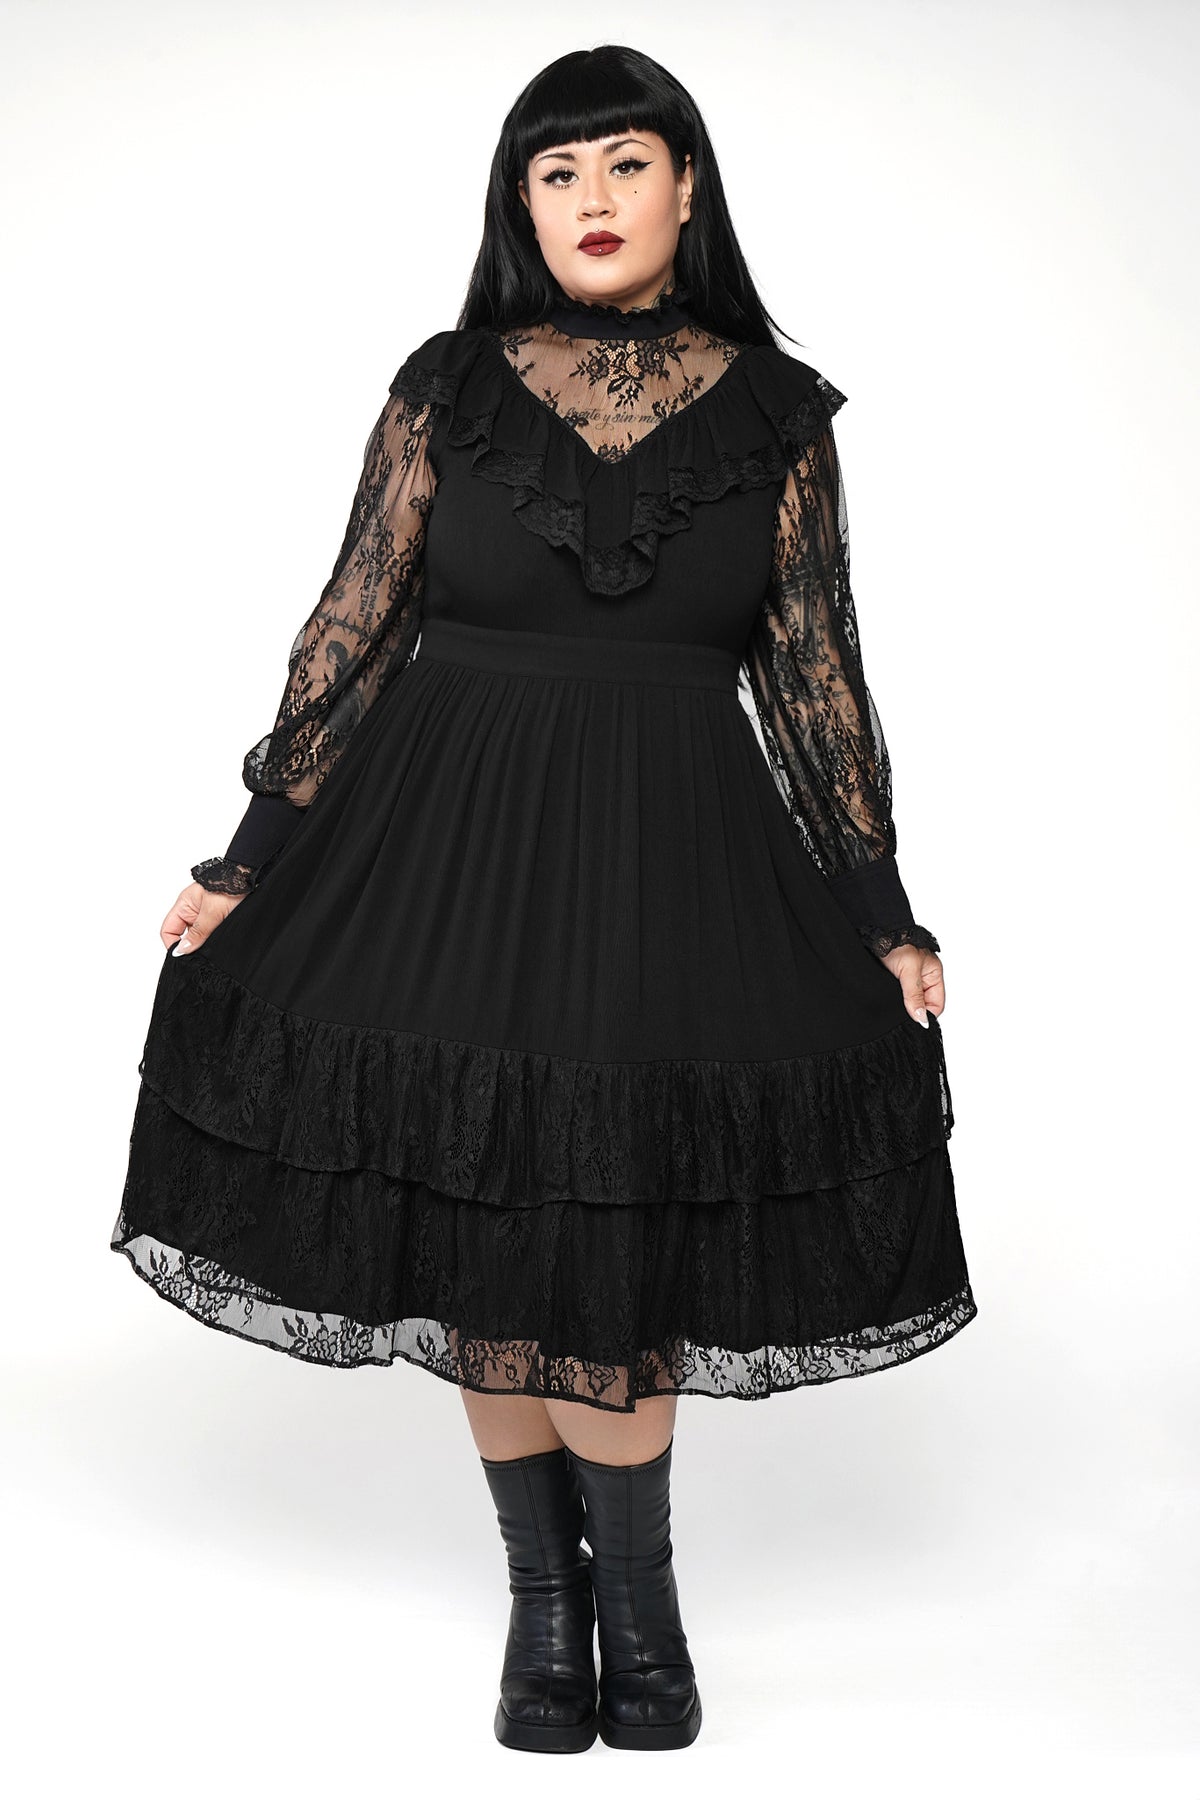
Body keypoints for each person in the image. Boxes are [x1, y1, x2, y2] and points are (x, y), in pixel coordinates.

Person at [111, 43, 977, 1756]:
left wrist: (884, 911)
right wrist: (246, 861)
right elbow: (353, 628)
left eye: (624, 164)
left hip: (672, 860)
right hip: (444, 850)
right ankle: (545, 1602)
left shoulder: (778, 415)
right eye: (556, 171)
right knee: (490, 1238)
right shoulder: (444, 387)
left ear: (688, 187)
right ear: (521, 203)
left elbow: (817, 672)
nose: (591, 199)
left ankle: (638, 1603)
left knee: (611, 1232)